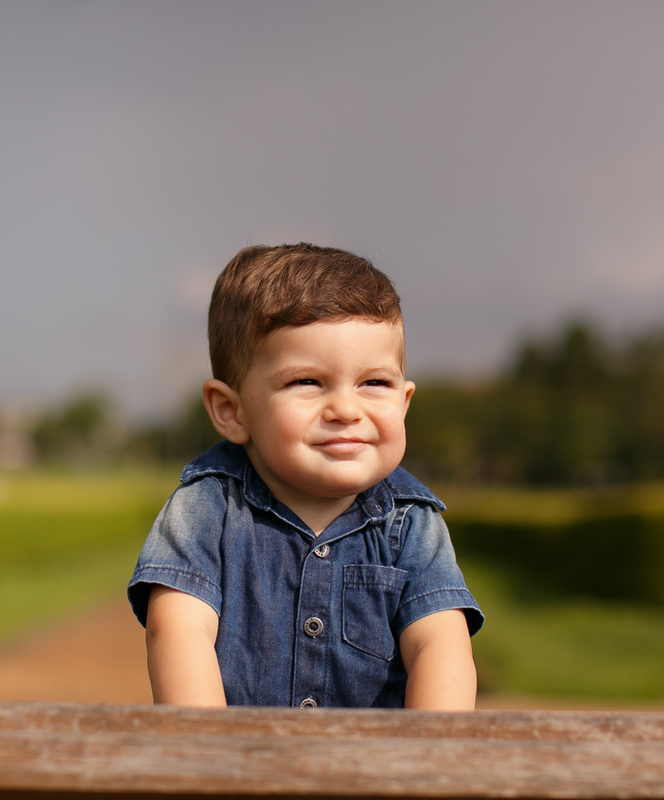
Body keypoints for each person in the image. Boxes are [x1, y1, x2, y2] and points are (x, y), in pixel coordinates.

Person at [127, 243, 483, 710]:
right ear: (231, 411)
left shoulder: (411, 523)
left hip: (372, 773)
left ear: (404, 401)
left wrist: (429, 758)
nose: (346, 410)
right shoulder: (208, 508)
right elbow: (178, 628)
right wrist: (206, 752)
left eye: (374, 383)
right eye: (307, 382)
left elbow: (439, 641)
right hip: (243, 767)